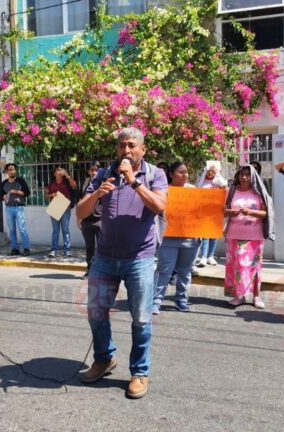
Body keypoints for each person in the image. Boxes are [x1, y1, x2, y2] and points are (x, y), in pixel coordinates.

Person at [76, 127, 168, 399]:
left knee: (140, 318)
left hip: (139, 259)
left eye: (131, 145)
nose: (126, 151)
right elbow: (80, 213)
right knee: (95, 311)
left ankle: (139, 372)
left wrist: (134, 181)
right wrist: (96, 195)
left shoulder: (155, 174)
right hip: (104, 258)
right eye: (121, 146)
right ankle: (104, 359)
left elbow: (160, 207)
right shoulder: (105, 174)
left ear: (143, 149)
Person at [152, 161, 201, 314]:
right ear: (171, 175)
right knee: (164, 270)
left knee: (185, 271)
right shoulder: (163, 190)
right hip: (168, 238)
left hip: (190, 239)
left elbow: (201, 212)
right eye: (180, 172)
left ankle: (181, 300)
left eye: (186, 172)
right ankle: (156, 301)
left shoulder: (193, 190)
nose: (184, 175)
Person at [224, 164, 274, 309]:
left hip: (254, 236)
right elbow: (222, 211)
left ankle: (256, 296)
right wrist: (230, 212)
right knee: (236, 266)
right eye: (242, 174)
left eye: (247, 174)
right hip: (233, 234)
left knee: (254, 267)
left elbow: (266, 213)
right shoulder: (231, 191)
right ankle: (239, 295)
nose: (244, 177)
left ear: (253, 176)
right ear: (237, 176)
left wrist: (251, 213)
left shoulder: (259, 193)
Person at [195, 161, 227, 267]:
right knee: (205, 234)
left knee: (213, 235)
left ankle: (211, 256)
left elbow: (225, 193)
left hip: (215, 212)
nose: (210, 173)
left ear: (216, 171)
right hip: (203, 211)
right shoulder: (201, 181)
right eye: (208, 170)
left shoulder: (220, 182)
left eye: (212, 171)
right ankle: (203, 257)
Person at [0, 163, 31, 256]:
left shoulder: (20, 181)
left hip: (19, 207)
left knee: (22, 229)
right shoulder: (4, 183)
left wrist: (15, 191)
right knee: (12, 230)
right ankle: (15, 249)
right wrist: (3, 196)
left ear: (15, 171)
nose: (12, 171)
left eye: (13, 169)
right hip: (9, 208)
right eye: (9, 169)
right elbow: (0, 194)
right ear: (7, 172)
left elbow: (27, 193)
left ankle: (26, 248)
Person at [46, 166, 77, 258]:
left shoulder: (66, 182)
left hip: (65, 208)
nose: (59, 171)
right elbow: (46, 195)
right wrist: (52, 194)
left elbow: (74, 185)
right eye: (57, 170)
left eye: (61, 170)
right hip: (55, 207)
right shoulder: (51, 183)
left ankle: (67, 250)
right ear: (54, 173)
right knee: (55, 230)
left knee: (65, 230)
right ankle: (54, 250)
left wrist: (67, 175)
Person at [78, 162, 102, 278]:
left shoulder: (103, 182)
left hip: (100, 219)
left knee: (102, 247)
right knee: (89, 247)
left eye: (96, 170)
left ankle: (101, 271)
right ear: (88, 171)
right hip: (87, 220)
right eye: (91, 170)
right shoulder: (85, 183)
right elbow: (81, 201)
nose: (94, 172)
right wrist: (79, 218)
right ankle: (90, 270)